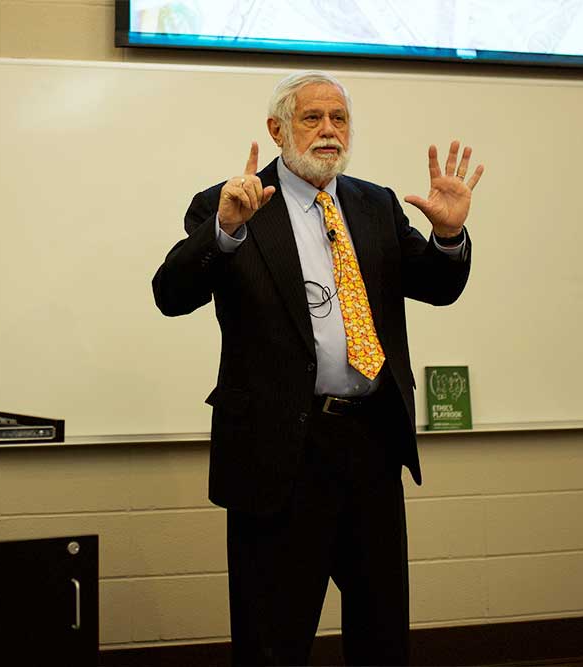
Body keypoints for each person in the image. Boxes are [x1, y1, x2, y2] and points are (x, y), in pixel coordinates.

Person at [152, 70, 483, 665]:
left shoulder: (374, 203)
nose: (329, 131)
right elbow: (171, 294)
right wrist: (225, 230)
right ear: (278, 129)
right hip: (279, 453)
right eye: (312, 118)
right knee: (274, 638)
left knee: (381, 633)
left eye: (340, 119)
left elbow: (436, 285)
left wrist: (450, 235)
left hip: (370, 446)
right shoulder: (229, 203)